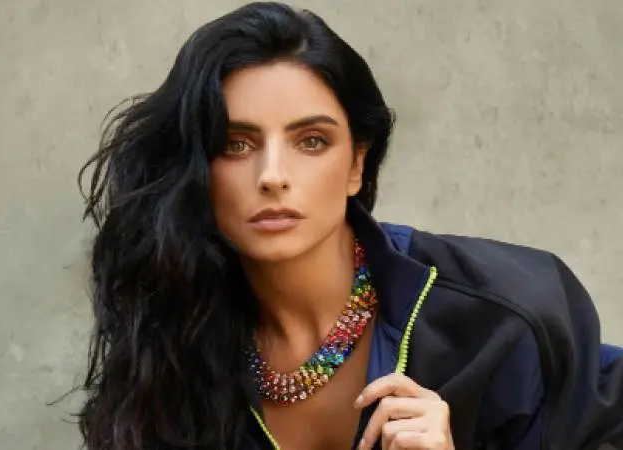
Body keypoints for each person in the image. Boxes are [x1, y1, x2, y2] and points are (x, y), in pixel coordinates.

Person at [75, 2, 623, 449]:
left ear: (357, 164)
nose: (272, 176)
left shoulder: (503, 317)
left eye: (311, 141)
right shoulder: (175, 344)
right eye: (235, 144)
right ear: (197, 170)